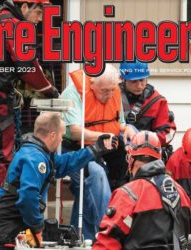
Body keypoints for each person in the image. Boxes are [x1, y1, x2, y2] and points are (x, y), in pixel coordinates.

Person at [0, 0, 60, 228]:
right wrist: (48, 89)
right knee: (3, 158)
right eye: (39, 12)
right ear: (24, 6)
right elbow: (28, 67)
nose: (41, 19)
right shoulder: (14, 26)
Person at [0, 112, 118, 250]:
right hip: (4, 232)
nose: (61, 140)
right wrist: (38, 227)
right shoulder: (34, 158)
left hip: (19, 229)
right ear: (53, 135)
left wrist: (95, 149)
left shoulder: (40, 154)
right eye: (61, 135)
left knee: (38, 246)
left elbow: (66, 163)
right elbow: (28, 196)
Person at [60, 64, 135, 240]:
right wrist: (104, 135)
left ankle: (83, 238)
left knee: (112, 178)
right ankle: (107, 233)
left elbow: (120, 125)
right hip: (73, 150)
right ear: (92, 83)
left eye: (112, 90)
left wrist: (130, 129)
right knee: (96, 176)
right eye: (104, 91)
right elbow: (76, 131)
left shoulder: (113, 91)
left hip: (100, 150)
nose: (109, 95)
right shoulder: (74, 93)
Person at [93, 131, 191, 250]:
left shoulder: (127, 194)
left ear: (129, 158)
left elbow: (108, 243)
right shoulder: (181, 193)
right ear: (160, 157)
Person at [119, 60, 176, 162]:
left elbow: (168, 133)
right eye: (134, 81)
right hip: (118, 152)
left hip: (147, 155)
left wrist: (143, 140)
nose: (139, 85)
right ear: (123, 79)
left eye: (142, 80)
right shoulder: (112, 95)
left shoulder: (158, 101)